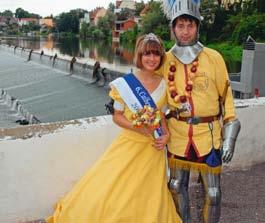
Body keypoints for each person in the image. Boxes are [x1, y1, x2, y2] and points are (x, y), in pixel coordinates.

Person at [46, 33, 182, 223]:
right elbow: (117, 117)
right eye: (147, 54)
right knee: (115, 189)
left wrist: (166, 135)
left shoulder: (165, 85)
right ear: (139, 56)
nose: (152, 59)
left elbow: (161, 116)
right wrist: (138, 127)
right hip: (129, 144)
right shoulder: (125, 85)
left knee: (148, 193)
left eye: (156, 54)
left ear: (161, 57)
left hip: (154, 149)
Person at [158, 0, 241, 223]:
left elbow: (227, 100)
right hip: (178, 137)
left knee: (214, 193)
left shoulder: (214, 57)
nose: (185, 31)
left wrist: (230, 137)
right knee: (175, 187)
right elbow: (150, 91)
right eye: (180, 26)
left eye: (190, 25)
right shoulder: (164, 60)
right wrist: (121, 102)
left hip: (209, 137)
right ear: (173, 28)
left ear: (197, 26)